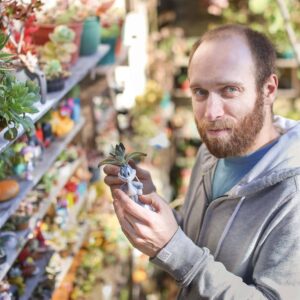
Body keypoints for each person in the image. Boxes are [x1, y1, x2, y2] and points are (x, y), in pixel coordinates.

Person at [103, 24, 300, 299]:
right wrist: (150, 203)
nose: (211, 112)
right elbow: (202, 242)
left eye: (230, 89)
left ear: (268, 89)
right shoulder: (212, 152)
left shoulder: (293, 194)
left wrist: (174, 250)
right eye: (200, 92)